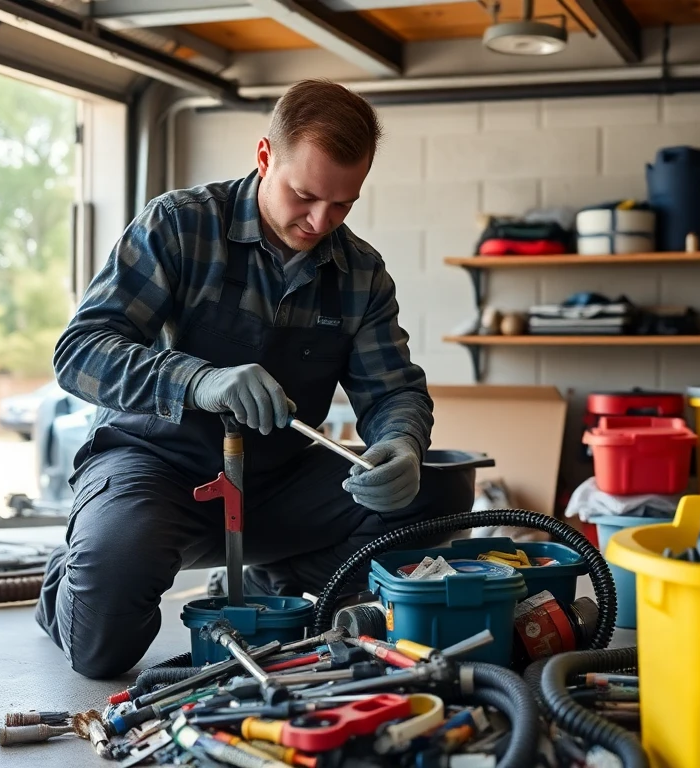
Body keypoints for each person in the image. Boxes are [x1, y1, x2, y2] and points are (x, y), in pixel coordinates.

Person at [35, 79, 467, 679]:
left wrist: (402, 443)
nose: (320, 221)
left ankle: (277, 577)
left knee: (439, 494)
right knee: (101, 651)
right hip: (155, 469)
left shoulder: (361, 273)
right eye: (304, 195)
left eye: (342, 204)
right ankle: (72, 579)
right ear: (265, 157)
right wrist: (196, 380)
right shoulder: (178, 227)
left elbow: (392, 389)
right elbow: (80, 353)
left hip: (280, 482)